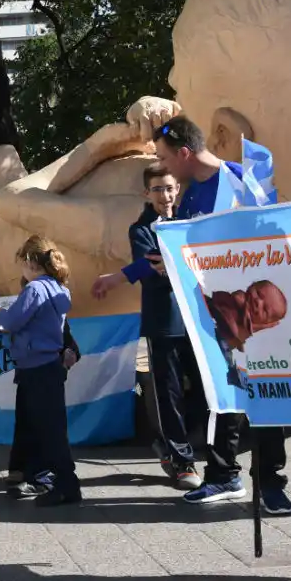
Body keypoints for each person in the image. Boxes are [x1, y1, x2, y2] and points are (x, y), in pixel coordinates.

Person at [146, 116, 291, 512]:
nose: (165, 166)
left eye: (165, 157)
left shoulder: (242, 181)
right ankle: (224, 474)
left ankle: (271, 481)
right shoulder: (191, 194)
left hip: (255, 313)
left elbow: (270, 237)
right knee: (222, 396)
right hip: (214, 315)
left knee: (262, 397)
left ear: (185, 153)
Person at [92, 163, 202, 489]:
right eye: (157, 189)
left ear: (177, 189)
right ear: (146, 193)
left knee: (202, 392)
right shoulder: (140, 229)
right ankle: (182, 461)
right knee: (165, 395)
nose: (165, 195)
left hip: (195, 322)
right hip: (161, 323)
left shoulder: (190, 220)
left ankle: (175, 445)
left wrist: (175, 262)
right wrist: (175, 262)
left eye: (169, 188)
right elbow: (152, 265)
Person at [0, 236, 80, 506]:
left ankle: (65, 484)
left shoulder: (34, 290)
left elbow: (14, 320)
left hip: (35, 366)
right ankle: (47, 477)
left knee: (47, 429)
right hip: (49, 365)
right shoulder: (58, 288)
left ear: (29, 261)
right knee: (47, 425)